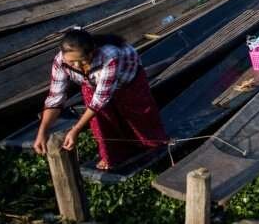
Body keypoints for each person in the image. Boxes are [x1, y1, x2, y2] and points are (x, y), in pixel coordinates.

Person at [34, 29, 167, 170]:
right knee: (100, 119)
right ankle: (113, 156)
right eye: (72, 62)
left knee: (138, 113)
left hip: (127, 78)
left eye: (82, 60)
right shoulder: (60, 61)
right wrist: (42, 131)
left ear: (92, 52)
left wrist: (76, 129)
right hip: (92, 83)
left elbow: (100, 99)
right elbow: (55, 98)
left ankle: (152, 144)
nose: (77, 66)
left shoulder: (110, 56)